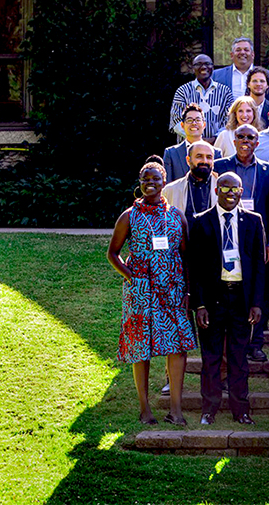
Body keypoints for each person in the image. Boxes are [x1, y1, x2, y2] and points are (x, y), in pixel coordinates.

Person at [107, 156, 197, 426]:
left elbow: (186, 257)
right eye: (145, 179)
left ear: (164, 182)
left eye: (155, 179)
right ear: (140, 183)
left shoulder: (176, 216)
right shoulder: (129, 216)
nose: (150, 184)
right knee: (140, 347)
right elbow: (113, 253)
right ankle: (145, 409)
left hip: (172, 291)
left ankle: (176, 410)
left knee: (178, 346)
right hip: (141, 293)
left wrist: (187, 292)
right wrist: (131, 276)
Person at [188, 172, 265, 425]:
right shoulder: (201, 221)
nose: (230, 193)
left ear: (242, 192)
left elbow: (259, 267)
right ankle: (208, 410)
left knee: (239, 359)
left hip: (241, 299)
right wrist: (198, 305)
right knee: (210, 359)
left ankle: (241, 410)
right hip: (213, 300)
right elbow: (195, 268)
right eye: (225, 188)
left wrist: (256, 302)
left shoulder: (254, 221)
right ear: (216, 190)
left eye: (235, 189)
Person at [214, 124, 269, 363]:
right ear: (233, 141)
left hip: (256, 241)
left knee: (258, 293)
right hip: (226, 236)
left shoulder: (268, 171)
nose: (245, 140)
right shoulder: (219, 166)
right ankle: (229, 343)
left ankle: (256, 344)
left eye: (250, 137)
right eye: (240, 136)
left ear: (257, 142)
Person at [169, 54, 234, 144]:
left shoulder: (225, 92)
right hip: (188, 147)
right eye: (198, 64)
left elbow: (230, 120)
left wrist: (215, 138)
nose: (203, 67)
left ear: (213, 67)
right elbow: (176, 122)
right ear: (193, 68)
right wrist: (196, 138)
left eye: (207, 64)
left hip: (217, 146)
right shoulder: (183, 91)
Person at [162, 140, 217, 222]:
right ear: (188, 160)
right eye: (199, 156)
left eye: (209, 157)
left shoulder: (223, 189)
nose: (204, 161)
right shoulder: (171, 190)